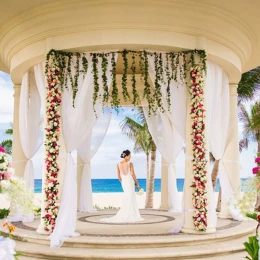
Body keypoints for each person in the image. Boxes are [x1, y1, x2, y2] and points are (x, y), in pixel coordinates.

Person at [100, 149, 144, 223]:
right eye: (129, 156)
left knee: (127, 196)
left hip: (124, 182)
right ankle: (131, 214)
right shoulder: (130, 164)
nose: (130, 157)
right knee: (131, 197)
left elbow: (118, 176)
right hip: (130, 181)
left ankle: (127, 212)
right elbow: (133, 174)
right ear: (126, 156)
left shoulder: (118, 164)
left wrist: (123, 182)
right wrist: (137, 183)